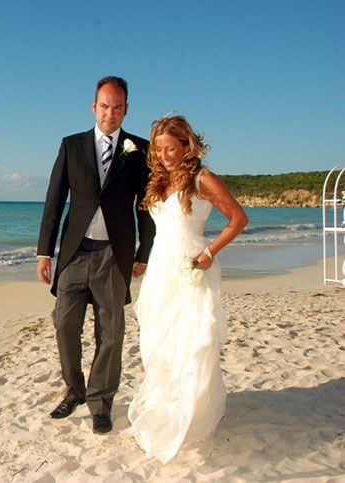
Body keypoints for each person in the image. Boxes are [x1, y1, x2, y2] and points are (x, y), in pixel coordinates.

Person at [37, 76, 155, 434]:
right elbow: (55, 201)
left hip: (114, 256)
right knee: (64, 325)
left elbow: (146, 207)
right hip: (75, 252)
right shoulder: (71, 146)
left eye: (118, 107)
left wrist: (143, 251)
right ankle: (75, 389)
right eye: (105, 106)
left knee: (111, 333)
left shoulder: (140, 148)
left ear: (126, 109)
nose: (111, 113)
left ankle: (101, 403)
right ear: (93, 106)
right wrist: (45, 252)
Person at [127, 115, 249, 462]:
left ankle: (191, 416)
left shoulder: (201, 178)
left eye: (171, 148)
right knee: (159, 344)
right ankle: (166, 408)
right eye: (159, 149)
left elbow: (238, 219)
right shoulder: (159, 180)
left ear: (186, 145)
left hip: (191, 270)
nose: (165, 155)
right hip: (161, 271)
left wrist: (209, 252)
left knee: (193, 343)